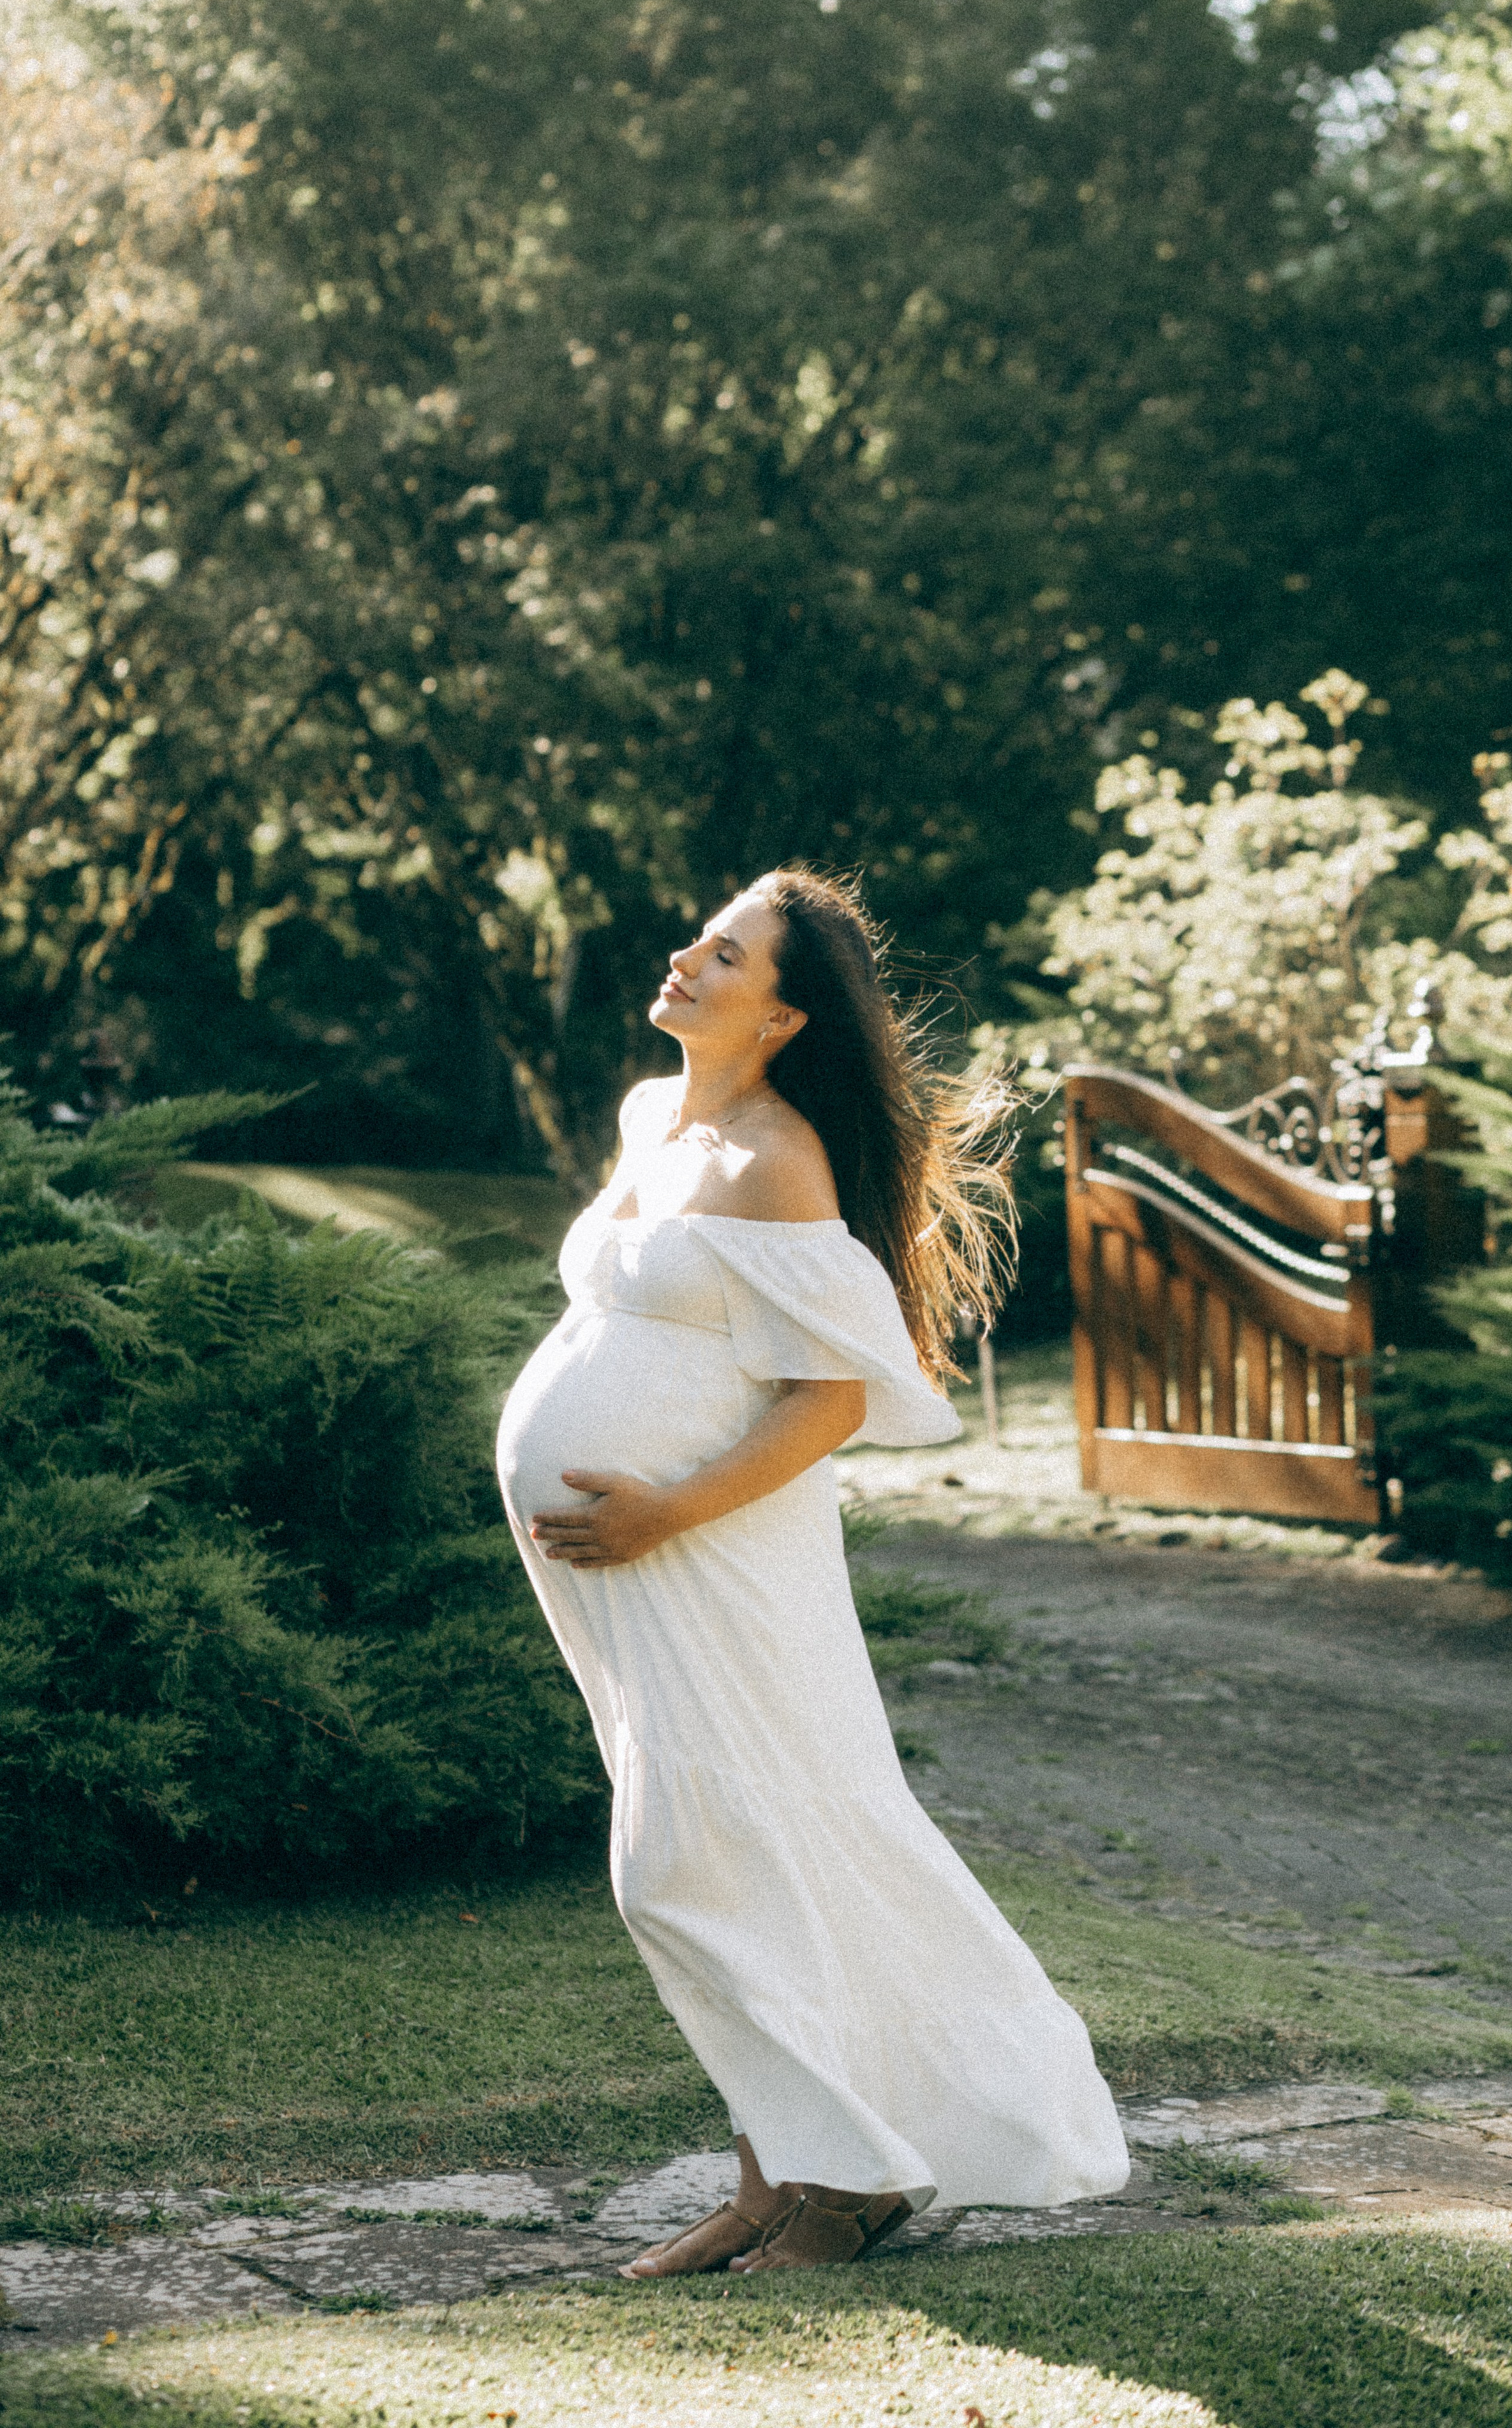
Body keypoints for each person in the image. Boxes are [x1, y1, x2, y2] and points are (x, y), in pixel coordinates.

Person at [496, 867, 1128, 2277]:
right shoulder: (651, 1117)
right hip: (632, 1573)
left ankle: (849, 2184)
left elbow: (830, 1397)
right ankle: (774, 2182)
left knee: (692, 1862)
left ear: (782, 1018)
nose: (687, 957)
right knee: (722, 1856)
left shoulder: (778, 1161)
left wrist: (666, 1510)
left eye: (725, 955)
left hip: (716, 1557)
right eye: (700, 939)